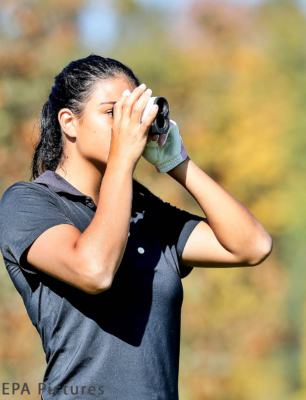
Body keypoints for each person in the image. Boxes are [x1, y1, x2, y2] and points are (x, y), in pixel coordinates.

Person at [0, 54, 272, 400]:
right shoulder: (30, 202)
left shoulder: (144, 211)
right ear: (69, 122)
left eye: (134, 114)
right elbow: (94, 271)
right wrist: (123, 159)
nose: (128, 126)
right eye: (113, 112)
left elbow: (252, 246)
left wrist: (178, 163)